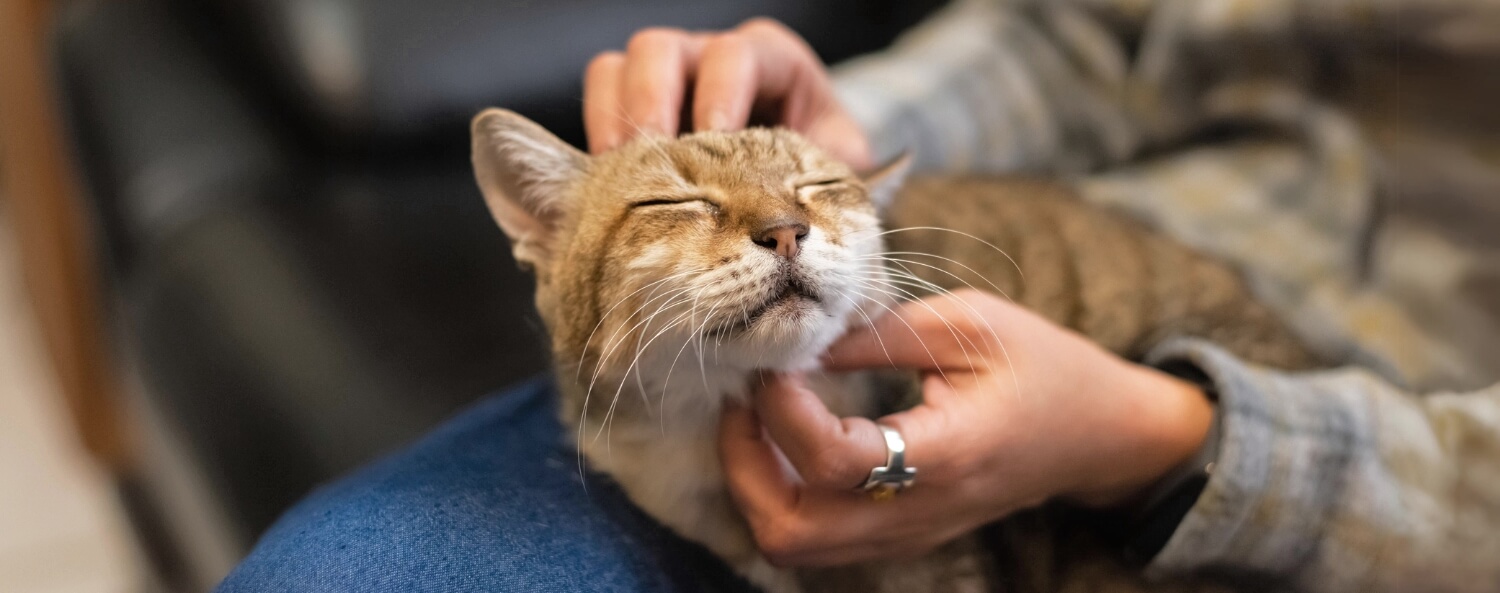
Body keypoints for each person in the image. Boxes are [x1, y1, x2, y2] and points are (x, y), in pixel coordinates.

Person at [218, 1, 1500, 591]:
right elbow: (1078, 36)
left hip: (1354, 458)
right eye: (680, 217)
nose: (764, 234)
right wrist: (821, 138)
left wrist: (1179, 442)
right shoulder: (782, 241)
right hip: (981, 234)